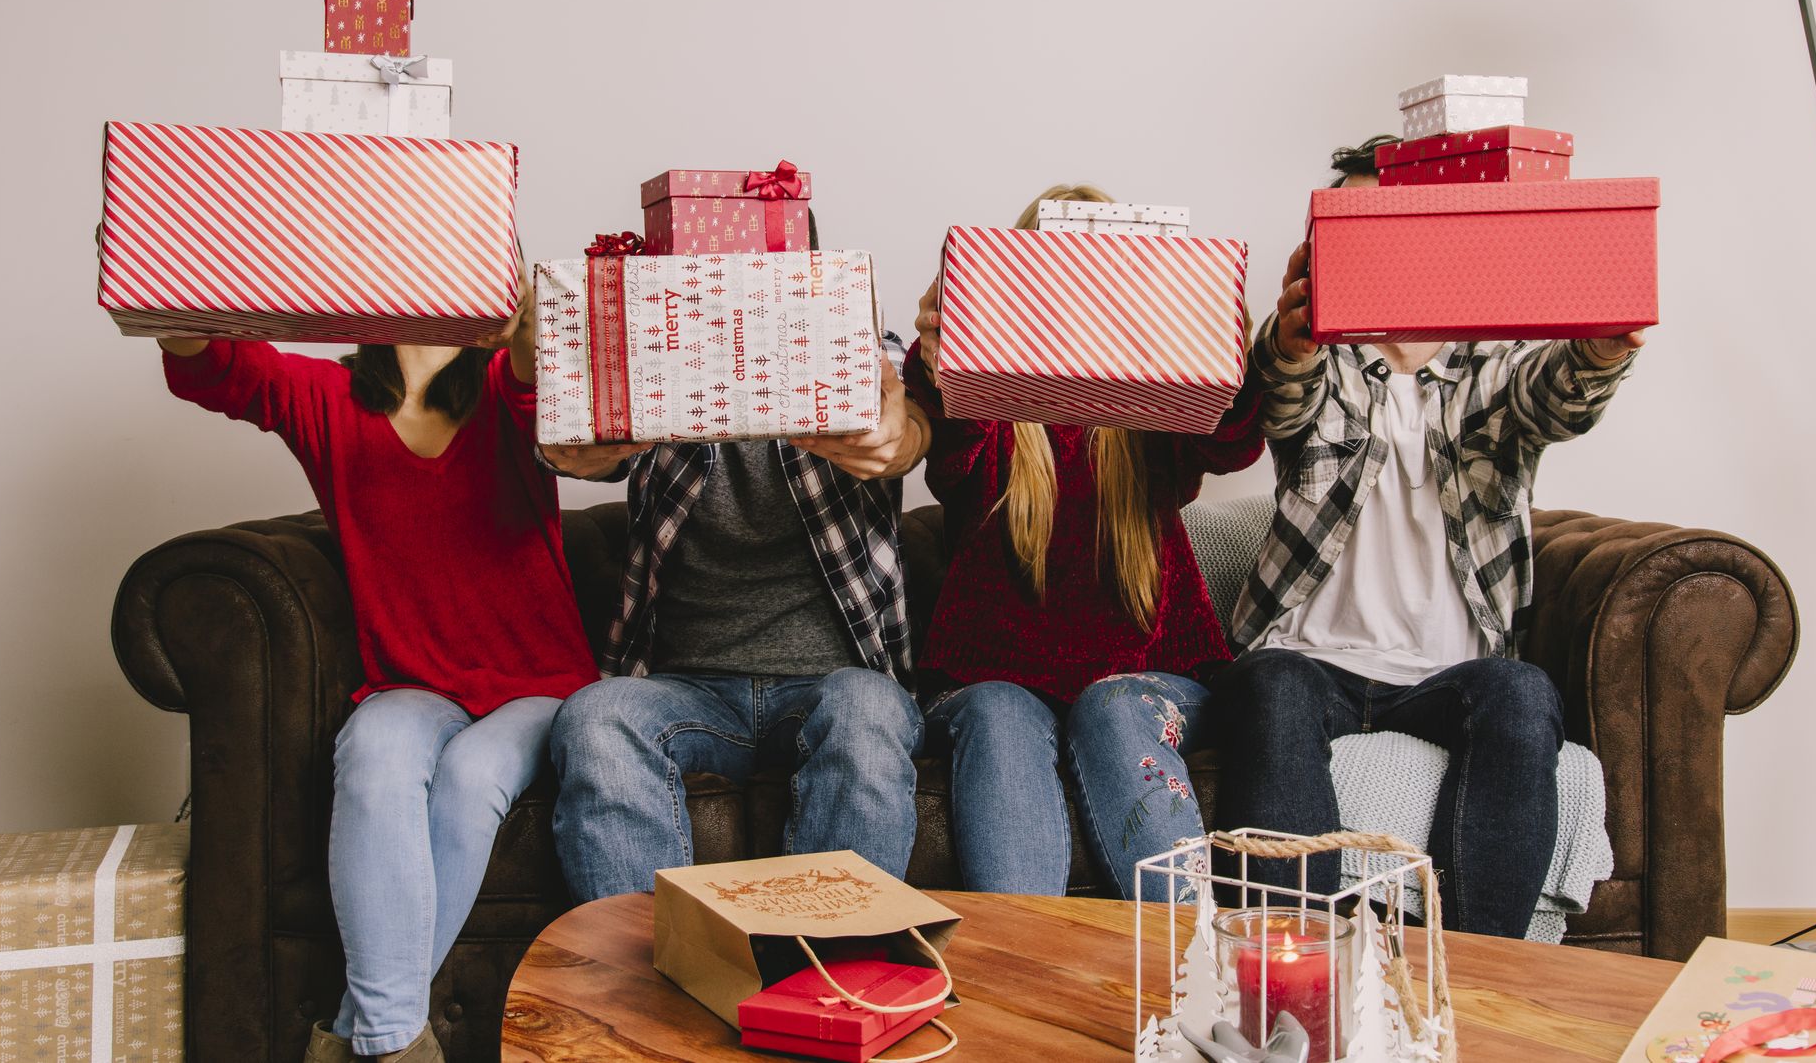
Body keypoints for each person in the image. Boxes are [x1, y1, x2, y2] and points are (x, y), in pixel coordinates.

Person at [1210, 139, 1645, 938]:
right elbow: (1278, 397)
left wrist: (1603, 347)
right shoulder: (1321, 358)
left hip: (1449, 672)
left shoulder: (1495, 358)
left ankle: (1485, 977)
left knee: (1523, 692)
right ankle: (1288, 973)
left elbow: (1556, 396)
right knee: (1270, 685)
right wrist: (1292, 338)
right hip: (1310, 660)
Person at [155, 283, 598, 1062]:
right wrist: (159, 268)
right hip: (412, 682)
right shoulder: (327, 401)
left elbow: (532, 377)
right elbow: (219, 364)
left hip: (540, 683)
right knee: (375, 747)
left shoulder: (504, 389)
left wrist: (523, 329)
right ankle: (394, 1042)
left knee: (469, 775)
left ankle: (365, 1040)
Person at [903, 185, 1265, 899]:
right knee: (1001, 714)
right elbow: (951, 451)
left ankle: (1193, 970)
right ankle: (1020, 972)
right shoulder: (995, 408)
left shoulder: (1152, 396)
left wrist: (1221, 351)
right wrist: (949, 355)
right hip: (994, 678)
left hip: (1153, 674)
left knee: (1110, 704)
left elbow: (1232, 442)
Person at [542, 319, 933, 901]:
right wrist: (574, 447)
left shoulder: (862, 352)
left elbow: (910, 428)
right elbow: (574, 447)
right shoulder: (648, 356)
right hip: (688, 689)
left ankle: (826, 976)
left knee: (869, 708)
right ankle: (644, 980)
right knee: (597, 715)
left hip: (834, 683)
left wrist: (899, 441)